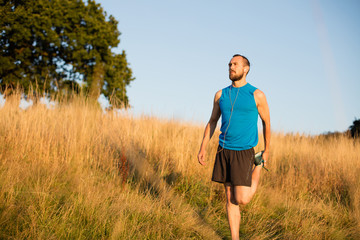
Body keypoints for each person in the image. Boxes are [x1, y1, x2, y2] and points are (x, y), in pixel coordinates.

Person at [197, 54, 271, 240]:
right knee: (230, 198)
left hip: (244, 151)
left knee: (242, 199)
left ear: (246, 69)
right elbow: (213, 121)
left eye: (235, 64)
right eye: (230, 64)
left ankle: (258, 165)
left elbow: (266, 123)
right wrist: (203, 146)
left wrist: (267, 150)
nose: (231, 67)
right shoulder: (221, 94)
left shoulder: (257, 94)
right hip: (224, 150)